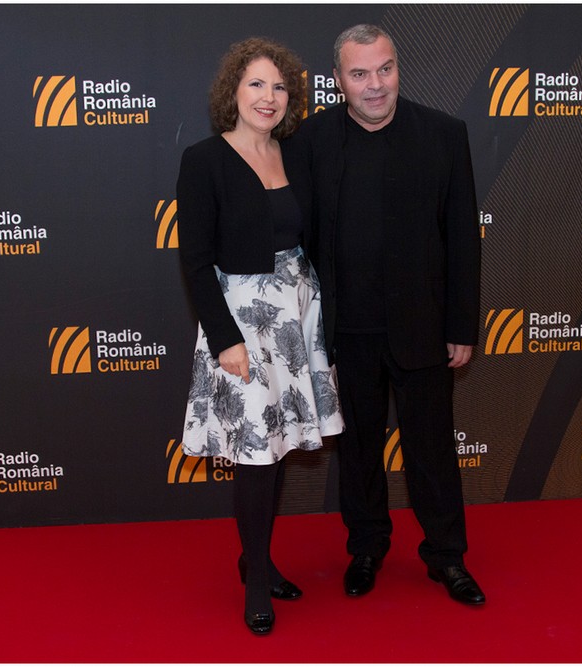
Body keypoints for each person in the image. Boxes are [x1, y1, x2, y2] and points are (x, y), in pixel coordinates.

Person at [294, 24, 486, 605]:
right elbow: (297, 237)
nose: (375, 85)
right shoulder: (310, 140)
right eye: (360, 74)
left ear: (398, 67)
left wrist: (461, 325)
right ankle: (367, 547)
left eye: (385, 69)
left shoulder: (444, 135)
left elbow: (462, 239)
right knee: (357, 451)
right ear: (338, 80)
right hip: (345, 330)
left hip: (423, 327)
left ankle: (446, 556)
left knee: (432, 449)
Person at [176, 37, 344, 635]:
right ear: (233, 91)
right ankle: (253, 581)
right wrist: (226, 340)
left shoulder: (294, 154)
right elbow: (196, 261)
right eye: (256, 84)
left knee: (275, 451)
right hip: (242, 322)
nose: (268, 97)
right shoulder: (204, 159)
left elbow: (311, 240)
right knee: (253, 455)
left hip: (296, 315)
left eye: (279, 86)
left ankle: (261, 560)